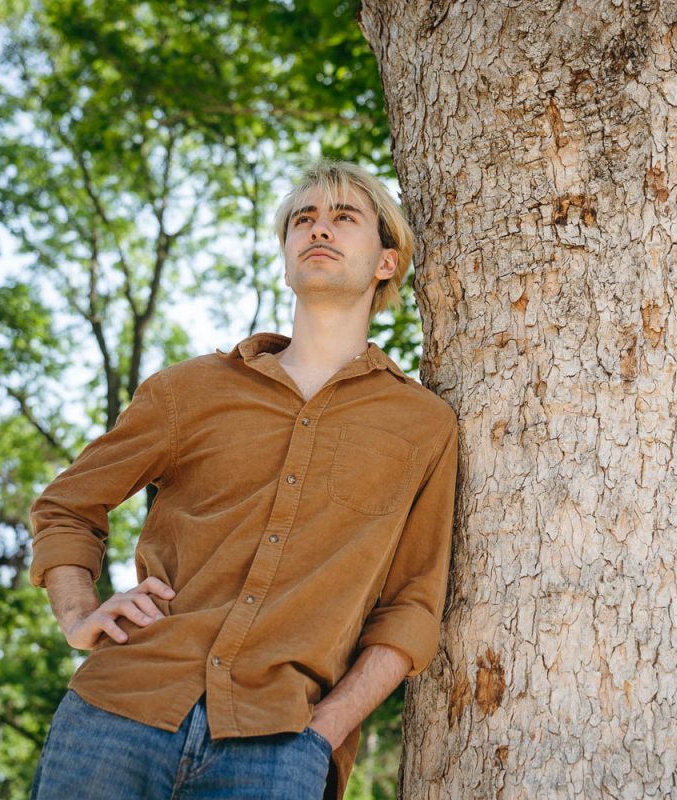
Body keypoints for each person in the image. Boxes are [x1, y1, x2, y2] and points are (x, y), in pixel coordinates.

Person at [27, 161, 459, 800]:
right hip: (121, 711)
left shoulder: (422, 425)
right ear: (286, 258)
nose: (319, 229)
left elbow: (413, 605)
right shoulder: (189, 390)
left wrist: (324, 730)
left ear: (386, 262)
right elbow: (67, 505)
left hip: (280, 742)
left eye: (344, 218)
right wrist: (78, 614)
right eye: (303, 220)